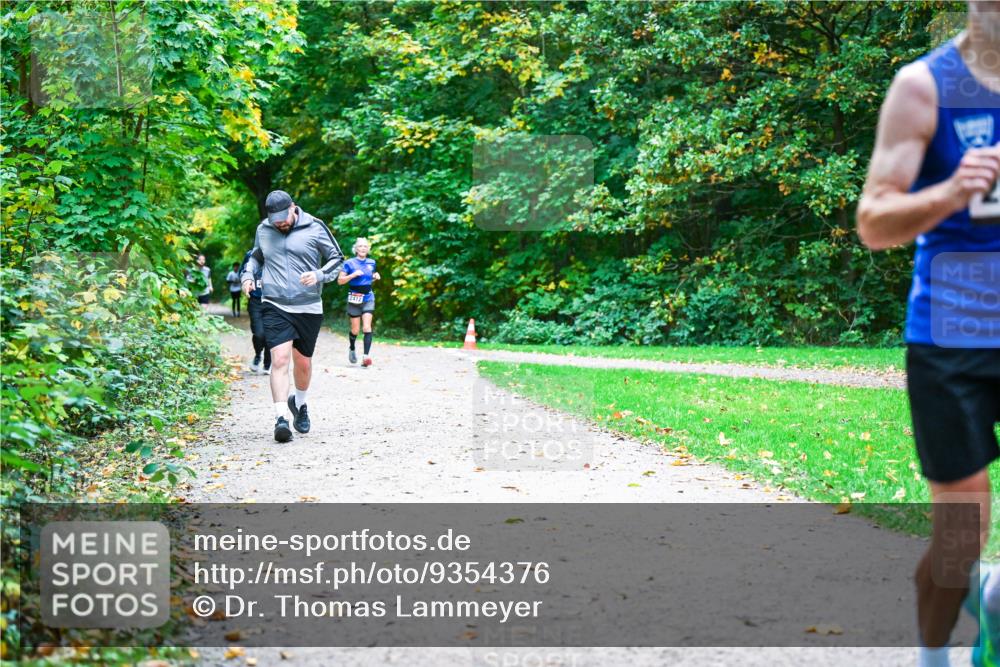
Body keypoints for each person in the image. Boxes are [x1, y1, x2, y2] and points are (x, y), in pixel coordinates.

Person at [856, 6, 1000, 666]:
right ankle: (934, 655)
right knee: (959, 540)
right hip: (953, 339)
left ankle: (995, 604)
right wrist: (951, 190)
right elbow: (874, 221)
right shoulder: (925, 87)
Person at [241, 190, 344, 443]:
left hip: (308, 305)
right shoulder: (264, 229)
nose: (280, 224)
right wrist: (247, 275)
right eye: (275, 220)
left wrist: (319, 275)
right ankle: (280, 419)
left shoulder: (315, 227)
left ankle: (300, 404)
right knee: (279, 359)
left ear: (293, 208)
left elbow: (336, 258)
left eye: (283, 219)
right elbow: (256, 256)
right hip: (274, 303)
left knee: (303, 362)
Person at [337, 237, 380, 367]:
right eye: (360, 246)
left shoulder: (372, 262)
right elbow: (340, 281)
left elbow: (367, 280)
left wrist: (375, 277)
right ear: (356, 249)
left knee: (367, 327)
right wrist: (352, 275)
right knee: (355, 329)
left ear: (368, 249)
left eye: (365, 246)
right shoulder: (349, 263)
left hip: (368, 298)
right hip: (354, 299)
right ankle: (352, 348)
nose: (362, 248)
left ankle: (366, 357)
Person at [239, 249, 271, 375]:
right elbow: (242, 272)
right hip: (256, 300)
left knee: (270, 335)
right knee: (259, 334)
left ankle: (268, 364)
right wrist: (246, 281)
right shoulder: (250, 254)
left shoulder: (277, 251)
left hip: (273, 301)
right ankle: (258, 355)